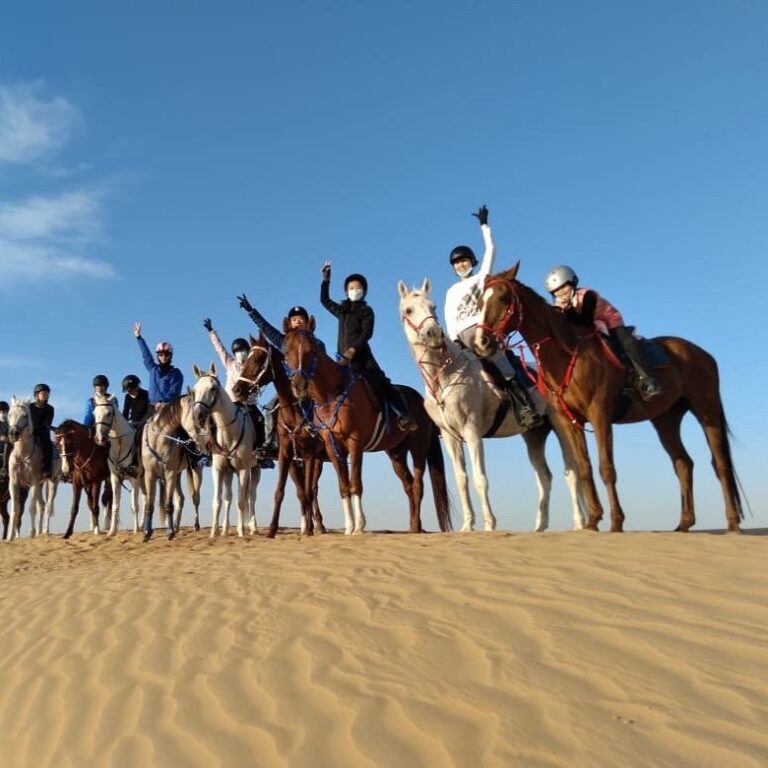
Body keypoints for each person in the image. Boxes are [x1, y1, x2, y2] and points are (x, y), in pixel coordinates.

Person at [444, 205, 542, 428]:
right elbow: (449, 318)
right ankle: (448, 419)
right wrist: (454, 341)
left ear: (472, 262)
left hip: (482, 333)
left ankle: (525, 408)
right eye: (457, 262)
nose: (461, 264)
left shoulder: (482, 279)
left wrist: (484, 226)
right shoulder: (451, 291)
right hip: (460, 340)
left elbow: (491, 251)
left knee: (505, 368)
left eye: (465, 260)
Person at [320, 263, 417, 432]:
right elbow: (324, 300)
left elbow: (367, 334)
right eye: (351, 288)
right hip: (342, 361)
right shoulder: (342, 311)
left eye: (358, 288)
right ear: (346, 291)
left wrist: (353, 350)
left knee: (382, 383)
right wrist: (326, 280)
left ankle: (403, 414)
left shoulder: (366, 311)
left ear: (363, 291)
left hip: (362, 359)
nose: (354, 290)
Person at [544, 265, 662, 400]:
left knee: (626, 342)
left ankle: (647, 379)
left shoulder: (587, 295)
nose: (561, 293)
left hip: (608, 321)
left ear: (572, 283)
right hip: (586, 330)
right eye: (556, 291)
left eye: (563, 287)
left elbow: (586, 321)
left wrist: (569, 309)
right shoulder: (558, 306)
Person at [202, 317, 274, 468]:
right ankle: (208, 454)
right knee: (210, 419)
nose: (239, 353)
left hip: (248, 404)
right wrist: (211, 332)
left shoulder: (253, 364)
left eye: (242, 350)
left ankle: (262, 455)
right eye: (236, 351)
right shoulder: (230, 363)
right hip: (231, 403)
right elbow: (219, 348)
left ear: (248, 351)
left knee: (260, 422)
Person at [132, 322, 184, 405]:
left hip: (168, 408)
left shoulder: (176, 373)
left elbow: (174, 392)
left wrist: (163, 403)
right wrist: (139, 337)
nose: (163, 357)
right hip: (151, 408)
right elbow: (146, 355)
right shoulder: (153, 369)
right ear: (158, 356)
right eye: (160, 354)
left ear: (170, 356)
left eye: (166, 354)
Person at [121, 374, 150, 477]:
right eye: (128, 391)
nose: (129, 392)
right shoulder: (127, 397)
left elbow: (149, 411)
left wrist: (142, 422)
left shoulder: (146, 394)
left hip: (145, 422)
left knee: (137, 438)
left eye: (131, 390)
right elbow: (125, 412)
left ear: (137, 386)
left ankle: (135, 463)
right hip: (132, 422)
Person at [30, 383, 54, 478]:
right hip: (29, 431)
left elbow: (47, 423)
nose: (46, 396)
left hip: (42, 431)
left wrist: (37, 428)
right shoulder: (29, 407)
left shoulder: (50, 409)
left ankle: (47, 469)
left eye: (47, 394)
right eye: (43, 394)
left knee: (47, 444)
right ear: (36, 395)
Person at [0, 400, 10, 480]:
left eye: (4, 411)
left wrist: (9, 439)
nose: (2, 413)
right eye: (0, 411)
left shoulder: (11, 424)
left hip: (9, 453)